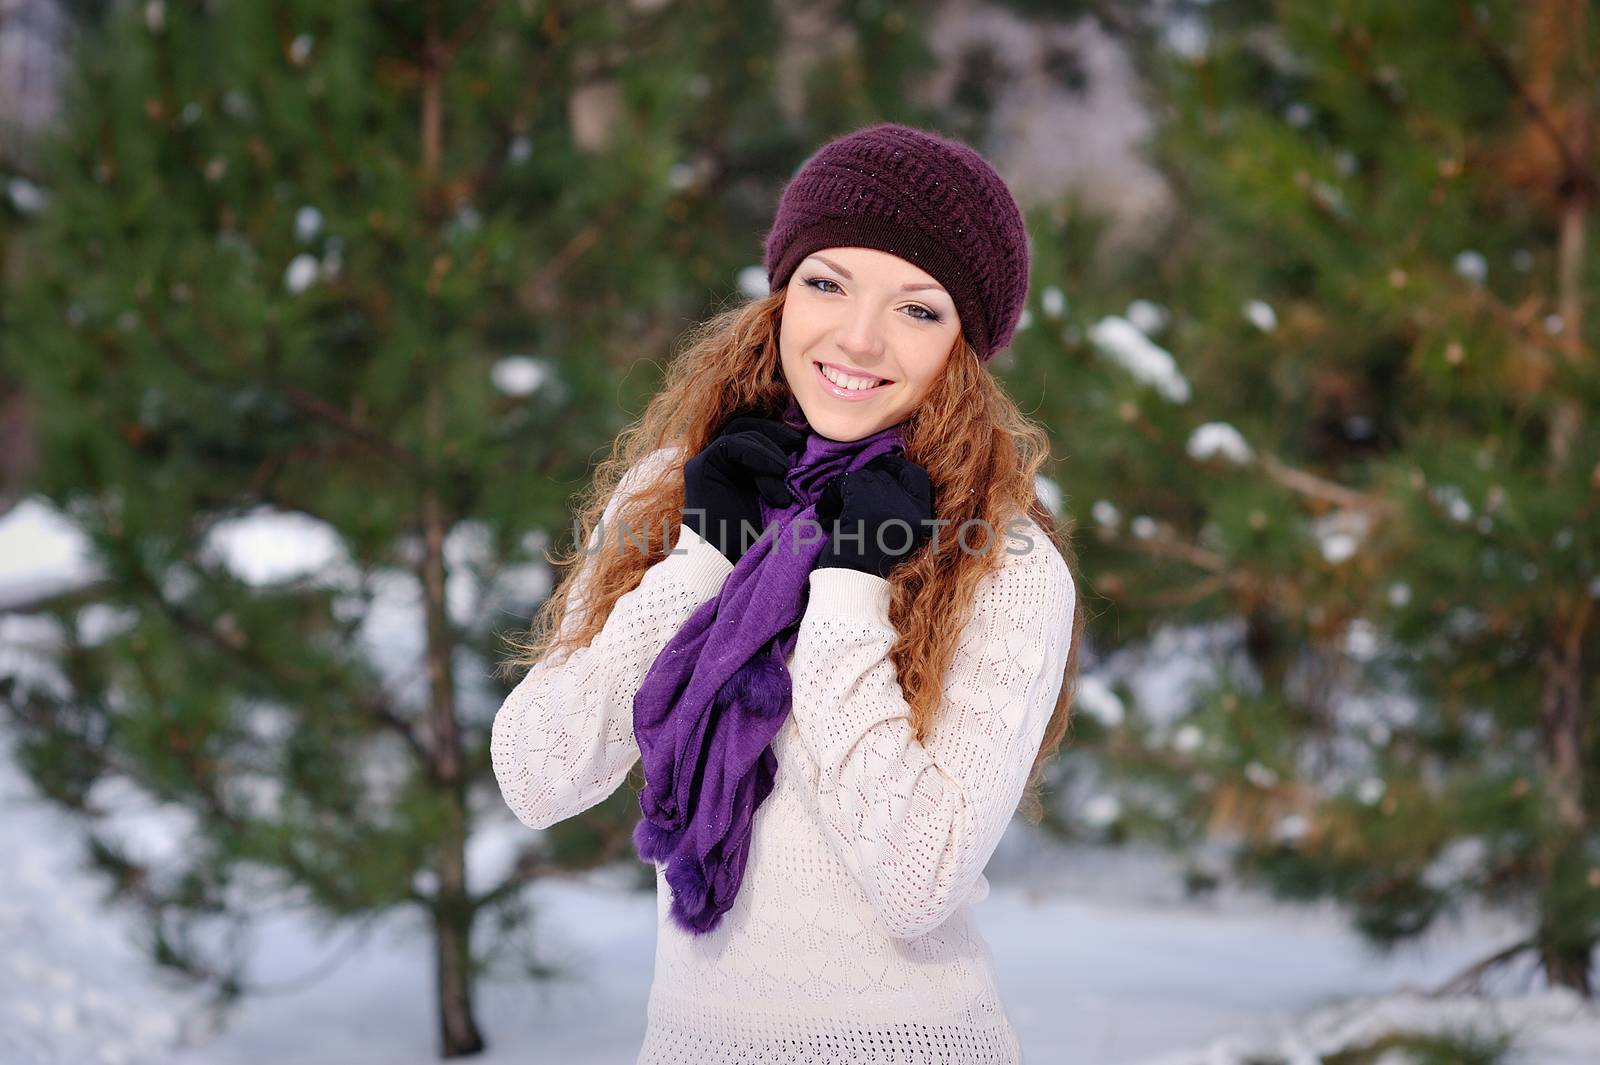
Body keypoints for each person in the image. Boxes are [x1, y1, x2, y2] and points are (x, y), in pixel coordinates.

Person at [491, 122, 1085, 1064]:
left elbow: (919, 877)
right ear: (779, 293)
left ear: (965, 345)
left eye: (917, 309)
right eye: (827, 282)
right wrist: (701, 561)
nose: (858, 336)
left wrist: (848, 587)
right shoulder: (680, 489)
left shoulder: (999, 562)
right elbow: (537, 773)